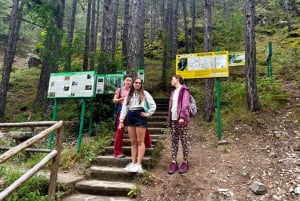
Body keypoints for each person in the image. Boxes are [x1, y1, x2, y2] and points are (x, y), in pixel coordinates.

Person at [119, 77, 156, 173]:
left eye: (139, 83)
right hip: (131, 115)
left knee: (140, 141)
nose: (138, 84)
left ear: (141, 84)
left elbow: (153, 105)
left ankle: (139, 164)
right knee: (133, 142)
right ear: (133, 83)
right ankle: (133, 162)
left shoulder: (145, 93)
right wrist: (121, 120)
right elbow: (124, 108)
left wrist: (148, 113)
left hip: (140, 115)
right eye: (136, 82)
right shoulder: (129, 95)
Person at [113, 75, 153, 158]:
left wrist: (148, 113)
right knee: (120, 131)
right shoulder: (120, 90)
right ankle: (117, 152)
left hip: (135, 112)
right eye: (127, 80)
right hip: (123, 111)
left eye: (130, 81)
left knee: (143, 127)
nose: (129, 82)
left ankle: (148, 144)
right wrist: (120, 99)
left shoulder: (135, 91)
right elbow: (114, 100)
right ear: (124, 81)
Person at [167, 75, 190, 174]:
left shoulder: (184, 90)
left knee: (184, 140)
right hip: (173, 119)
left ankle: (185, 161)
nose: (171, 81)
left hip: (181, 120)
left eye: (172, 79)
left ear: (177, 79)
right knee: (174, 140)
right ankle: (173, 161)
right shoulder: (173, 92)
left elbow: (185, 104)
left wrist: (182, 117)